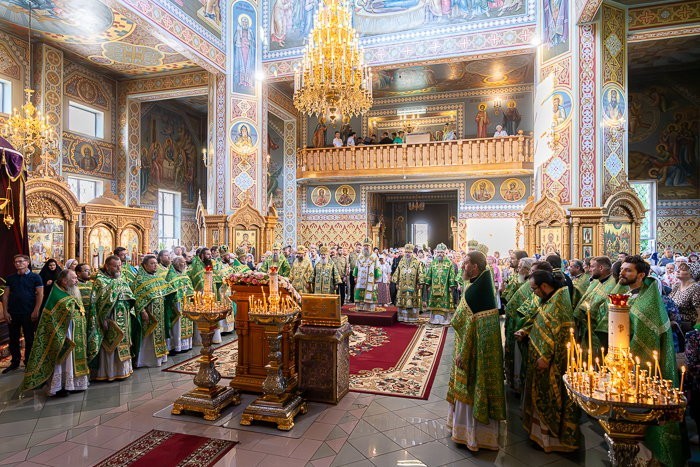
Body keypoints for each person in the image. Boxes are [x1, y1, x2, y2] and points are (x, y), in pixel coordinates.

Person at [618, 255, 686, 467]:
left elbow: (646, 339)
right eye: (622, 269)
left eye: (628, 270)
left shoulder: (649, 301)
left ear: (641, 275)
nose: (622, 273)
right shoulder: (633, 294)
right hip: (629, 361)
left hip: (647, 366)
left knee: (648, 410)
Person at [447, 251, 505, 451]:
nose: (462, 267)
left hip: (472, 351)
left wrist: (463, 353)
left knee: (471, 388)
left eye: (465, 264)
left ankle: (471, 434)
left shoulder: (475, 291)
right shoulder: (481, 284)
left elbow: (468, 326)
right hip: (476, 346)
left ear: (474, 267)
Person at [520, 270, 580, 452]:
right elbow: (542, 323)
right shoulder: (550, 299)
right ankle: (538, 435)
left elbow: (561, 337)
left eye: (534, 289)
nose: (534, 293)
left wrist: (546, 357)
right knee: (538, 394)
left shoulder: (559, 304)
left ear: (544, 286)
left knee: (549, 396)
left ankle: (550, 440)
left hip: (551, 363)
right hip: (539, 357)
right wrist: (527, 331)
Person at [19, 269, 91, 396]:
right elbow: (54, 320)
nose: (76, 281)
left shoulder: (72, 293)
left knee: (73, 360)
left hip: (76, 334)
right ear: (64, 281)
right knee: (64, 361)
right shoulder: (58, 297)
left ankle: (75, 384)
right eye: (73, 278)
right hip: (64, 336)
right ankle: (61, 386)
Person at [90, 255, 135, 382]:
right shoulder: (100, 281)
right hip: (109, 317)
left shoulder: (122, 279)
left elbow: (130, 295)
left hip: (123, 316)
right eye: (115, 266)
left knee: (123, 342)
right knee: (111, 344)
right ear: (107, 266)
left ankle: (123, 370)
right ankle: (109, 372)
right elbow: (97, 303)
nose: (118, 268)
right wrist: (102, 318)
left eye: (120, 265)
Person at [130, 255, 175, 368]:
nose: (155, 265)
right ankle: (146, 360)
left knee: (159, 333)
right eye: (152, 263)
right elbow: (136, 297)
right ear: (145, 265)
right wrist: (142, 311)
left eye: (156, 263)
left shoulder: (157, 277)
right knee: (148, 336)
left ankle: (160, 357)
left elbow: (167, 290)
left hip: (159, 311)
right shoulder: (139, 279)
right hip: (148, 313)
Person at [573, 256, 625, 353]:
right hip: (587, 328)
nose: (589, 269)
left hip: (598, 332)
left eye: (592, 267)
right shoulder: (598, 281)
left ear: (601, 268)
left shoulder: (614, 284)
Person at [2, 255, 43, 374]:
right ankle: (15, 362)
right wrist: (5, 311)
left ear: (27, 262)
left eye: (20, 261)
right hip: (13, 312)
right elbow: (5, 295)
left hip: (28, 312)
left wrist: (36, 310)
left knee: (29, 338)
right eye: (15, 262)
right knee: (13, 338)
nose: (17, 264)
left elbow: (40, 294)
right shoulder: (11, 278)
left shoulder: (35, 277)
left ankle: (29, 362)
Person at [504, 257, 534, 393]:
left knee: (520, 358)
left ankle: (520, 385)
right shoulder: (524, 282)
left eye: (521, 267)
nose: (518, 269)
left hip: (521, 325)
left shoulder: (530, 286)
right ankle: (515, 382)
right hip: (515, 323)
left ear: (528, 270)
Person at [188, 247, 223, 344]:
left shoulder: (210, 264)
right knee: (203, 316)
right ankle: (201, 339)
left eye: (210, 254)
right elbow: (198, 281)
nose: (210, 256)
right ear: (202, 255)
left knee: (213, 315)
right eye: (207, 254)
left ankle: (214, 337)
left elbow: (216, 277)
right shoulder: (197, 266)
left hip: (212, 293)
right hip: (202, 295)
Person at [165, 256, 195, 353]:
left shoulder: (184, 274)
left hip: (187, 303)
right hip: (177, 304)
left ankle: (187, 345)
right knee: (177, 325)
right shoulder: (171, 276)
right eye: (182, 262)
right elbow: (171, 291)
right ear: (177, 264)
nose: (185, 264)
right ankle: (177, 345)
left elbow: (189, 287)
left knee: (187, 323)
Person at [424, 243, 458, 325]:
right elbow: (429, 274)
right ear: (436, 252)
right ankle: (434, 319)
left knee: (443, 303)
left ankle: (444, 320)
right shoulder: (433, 263)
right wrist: (428, 284)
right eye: (438, 252)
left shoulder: (449, 263)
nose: (440, 254)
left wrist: (451, 285)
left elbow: (452, 275)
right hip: (434, 287)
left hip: (445, 288)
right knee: (434, 303)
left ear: (444, 253)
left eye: (442, 252)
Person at [392, 243, 424, 323]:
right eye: (406, 252)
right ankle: (402, 317)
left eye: (409, 252)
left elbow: (420, 273)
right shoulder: (401, 261)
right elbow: (397, 272)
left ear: (412, 252)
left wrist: (419, 283)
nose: (407, 254)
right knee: (402, 302)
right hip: (402, 286)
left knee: (412, 301)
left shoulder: (417, 262)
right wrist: (396, 283)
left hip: (413, 286)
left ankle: (412, 318)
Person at [670, 262, 700, 333]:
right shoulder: (676, 286)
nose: (677, 271)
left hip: (688, 328)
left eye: (683, 270)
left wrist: (696, 330)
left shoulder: (696, 288)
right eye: (678, 269)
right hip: (675, 325)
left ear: (692, 273)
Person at [353, 239, 380, 312]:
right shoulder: (359, 256)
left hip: (370, 278)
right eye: (365, 245)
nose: (366, 247)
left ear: (370, 246)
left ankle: (369, 306)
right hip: (360, 278)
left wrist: (377, 277)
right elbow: (356, 267)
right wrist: (355, 276)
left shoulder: (374, 257)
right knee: (360, 290)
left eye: (367, 245)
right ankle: (360, 306)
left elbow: (377, 267)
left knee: (370, 291)